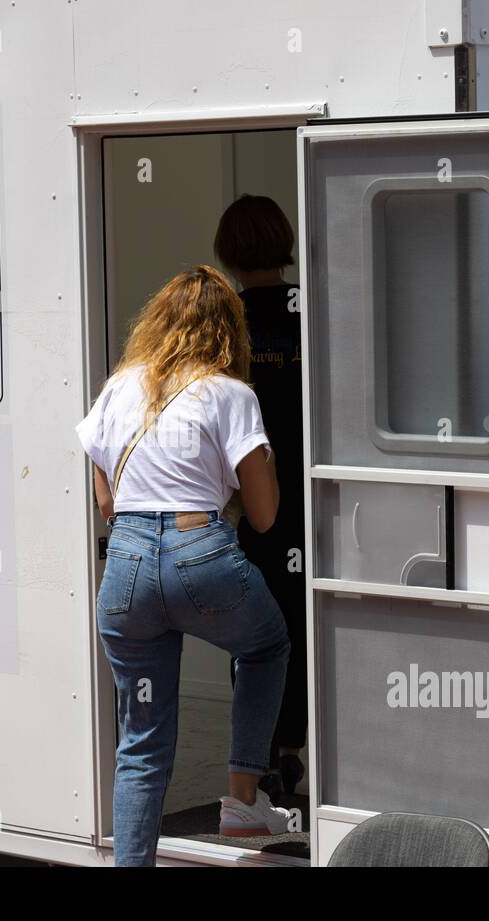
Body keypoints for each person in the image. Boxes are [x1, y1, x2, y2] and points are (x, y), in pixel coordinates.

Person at [76, 265, 293, 866]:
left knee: (141, 745)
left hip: (125, 569)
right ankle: (243, 799)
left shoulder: (120, 387)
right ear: (230, 330)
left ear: (157, 321)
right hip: (201, 557)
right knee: (266, 646)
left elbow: (105, 503)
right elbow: (266, 514)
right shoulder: (230, 393)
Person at [213, 195, 307, 801]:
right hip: (316, 497)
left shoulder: (227, 324)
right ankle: (297, 750)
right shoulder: (309, 310)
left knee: (253, 635)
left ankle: (262, 756)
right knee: (301, 626)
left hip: (252, 503)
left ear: (229, 254)